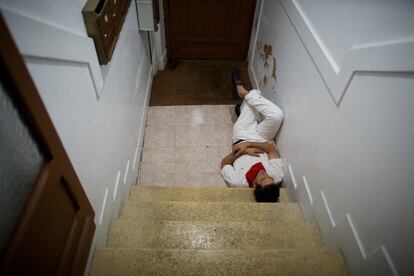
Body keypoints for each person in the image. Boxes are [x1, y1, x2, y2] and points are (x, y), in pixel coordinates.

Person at [221, 71, 284, 202]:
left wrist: (242, 151)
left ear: (254, 186)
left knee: (253, 100)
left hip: (242, 136)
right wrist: (250, 145)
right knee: (277, 115)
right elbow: (271, 149)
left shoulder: (237, 181)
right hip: (264, 139)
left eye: (261, 178)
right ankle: (243, 96)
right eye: (269, 177)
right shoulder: (277, 176)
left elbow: (224, 163)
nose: (264, 173)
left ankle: (244, 102)